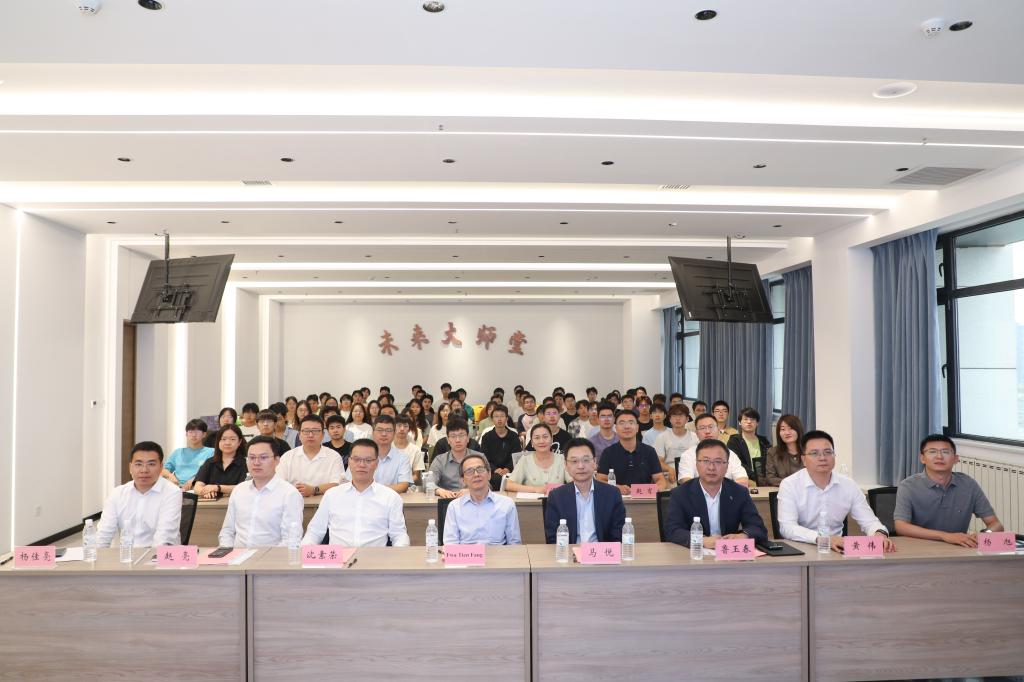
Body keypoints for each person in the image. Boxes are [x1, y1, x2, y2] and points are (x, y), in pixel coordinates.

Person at [777, 430, 895, 553]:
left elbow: (870, 522)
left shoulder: (848, 485)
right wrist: (823, 538)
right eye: (814, 453)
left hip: (837, 551)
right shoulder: (790, 485)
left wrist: (879, 533)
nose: (822, 458)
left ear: (834, 455)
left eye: (828, 452)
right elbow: (787, 527)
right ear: (804, 459)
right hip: (801, 550)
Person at [893, 434, 1003, 546]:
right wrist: (945, 536)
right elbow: (901, 527)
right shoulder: (908, 486)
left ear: (955, 458)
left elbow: (996, 524)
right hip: (919, 548)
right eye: (932, 452)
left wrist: (985, 534)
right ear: (922, 458)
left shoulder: (968, 484)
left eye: (945, 452)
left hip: (958, 548)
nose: (939, 456)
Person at [301, 439, 410, 547]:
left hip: (375, 556)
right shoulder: (332, 495)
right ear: (349, 461)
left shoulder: (390, 497)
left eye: (368, 460)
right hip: (339, 556)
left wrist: (399, 553)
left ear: (376, 463)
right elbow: (314, 532)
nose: (362, 465)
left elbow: (399, 535)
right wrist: (303, 551)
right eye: (356, 459)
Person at [665, 439, 768, 547]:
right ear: (696, 464)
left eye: (718, 462)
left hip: (728, 552)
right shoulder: (680, 494)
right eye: (705, 461)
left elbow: (758, 528)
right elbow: (672, 531)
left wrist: (743, 536)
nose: (711, 468)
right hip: (694, 552)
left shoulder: (739, 492)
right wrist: (701, 541)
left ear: (727, 466)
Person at [218, 436, 303, 548]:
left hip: (271, 557)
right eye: (252, 457)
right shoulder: (239, 490)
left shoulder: (289, 494)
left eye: (263, 457)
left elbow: (291, 540)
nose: (256, 462)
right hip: (237, 556)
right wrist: (227, 552)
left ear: (277, 460)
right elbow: (227, 531)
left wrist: (262, 557)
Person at [95, 441, 182, 547]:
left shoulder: (172, 492)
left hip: (160, 554)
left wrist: (150, 557)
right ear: (130, 467)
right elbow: (103, 534)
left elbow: (164, 536)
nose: (144, 470)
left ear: (161, 467)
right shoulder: (117, 493)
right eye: (138, 464)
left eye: (151, 464)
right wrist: (96, 554)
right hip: (127, 554)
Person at [543, 439, 626, 543]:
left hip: (601, 552)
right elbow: (552, 537)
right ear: (565, 465)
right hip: (569, 552)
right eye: (574, 461)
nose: (580, 466)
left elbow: (618, 534)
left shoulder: (612, 494)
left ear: (595, 462)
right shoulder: (556, 496)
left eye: (586, 460)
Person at [442, 454, 522, 545]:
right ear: (462, 480)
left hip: (497, 553)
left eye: (480, 469)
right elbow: (450, 545)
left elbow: (514, 543)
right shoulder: (454, 507)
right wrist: (477, 553)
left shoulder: (506, 504)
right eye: (469, 471)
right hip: (466, 554)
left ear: (489, 474)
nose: (476, 474)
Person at [596, 410, 668, 492]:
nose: (627, 427)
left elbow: (660, 479)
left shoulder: (649, 451)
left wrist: (658, 488)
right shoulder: (608, 453)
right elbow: (600, 480)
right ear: (616, 428)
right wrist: (616, 488)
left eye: (631, 422)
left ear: (637, 428)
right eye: (622, 423)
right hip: (617, 497)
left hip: (644, 497)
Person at [276, 414, 346, 498]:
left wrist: (314, 490)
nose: (310, 435)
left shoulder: (334, 456)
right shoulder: (288, 456)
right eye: (306, 431)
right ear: (299, 435)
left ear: (323, 435)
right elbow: (278, 483)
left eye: (315, 431)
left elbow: (338, 484)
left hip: (324, 504)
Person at [676, 414, 749, 486]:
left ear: (718, 430)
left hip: (727, 493)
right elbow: (686, 482)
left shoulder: (730, 454)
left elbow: (743, 480)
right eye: (702, 428)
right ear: (697, 433)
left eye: (711, 427)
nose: (707, 431)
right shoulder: (688, 455)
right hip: (697, 494)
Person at [505, 423, 573, 493]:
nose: (541, 441)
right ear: (532, 442)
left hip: (557, 499)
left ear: (552, 439)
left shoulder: (562, 459)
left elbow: (574, 482)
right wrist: (535, 489)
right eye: (537, 438)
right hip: (532, 500)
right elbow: (509, 485)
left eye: (545, 437)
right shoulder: (525, 460)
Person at [428, 419, 482, 497]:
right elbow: (429, 483)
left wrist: (472, 490)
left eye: (461, 435)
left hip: (475, 499)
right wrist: (439, 490)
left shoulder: (479, 458)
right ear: (448, 440)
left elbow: (488, 485)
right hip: (448, 500)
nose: (457, 440)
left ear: (468, 438)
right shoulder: (439, 460)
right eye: (453, 436)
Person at [193, 424, 249, 499]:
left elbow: (244, 488)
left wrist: (217, 488)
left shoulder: (246, 463)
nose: (227, 443)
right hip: (211, 504)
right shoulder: (210, 462)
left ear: (239, 442)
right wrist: (207, 491)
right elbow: (197, 487)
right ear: (218, 441)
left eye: (232, 439)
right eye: (223, 439)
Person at [161, 418, 214, 489]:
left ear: (204, 434)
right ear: (186, 434)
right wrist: (171, 476)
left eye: (197, 432)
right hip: (176, 487)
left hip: (197, 488)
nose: (194, 435)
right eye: (190, 432)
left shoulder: (211, 452)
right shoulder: (178, 452)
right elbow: (164, 470)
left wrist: (195, 480)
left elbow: (211, 472)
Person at [366, 414, 413, 493]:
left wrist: (375, 491)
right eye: (380, 430)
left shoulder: (403, 458)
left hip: (392, 499)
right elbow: (351, 481)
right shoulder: (362, 456)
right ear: (373, 433)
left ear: (394, 433)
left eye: (388, 430)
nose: (384, 434)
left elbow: (403, 485)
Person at [479, 404, 520, 490]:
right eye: (496, 416)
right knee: (495, 479)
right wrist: (495, 469)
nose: (499, 419)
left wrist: (507, 469)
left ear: (507, 418)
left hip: (510, 471)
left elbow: (516, 456)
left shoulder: (514, 436)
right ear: (492, 419)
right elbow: (484, 457)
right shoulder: (487, 437)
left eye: (502, 416)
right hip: (492, 471)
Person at [727, 407, 771, 485]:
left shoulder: (764, 441)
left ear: (757, 423)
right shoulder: (734, 441)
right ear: (739, 422)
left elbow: (770, 460)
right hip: (743, 479)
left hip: (764, 479)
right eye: (745, 419)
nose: (749, 422)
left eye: (752, 419)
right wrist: (755, 477)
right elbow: (737, 463)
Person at [653, 404, 696, 481]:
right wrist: (670, 469)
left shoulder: (695, 437)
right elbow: (658, 462)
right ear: (670, 419)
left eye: (681, 415)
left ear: (687, 419)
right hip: (669, 476)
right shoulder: (662, 437)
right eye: (674, 416)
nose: (678, 418)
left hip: (690, 475)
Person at [765, 414, 805, 486]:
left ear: (798, 430)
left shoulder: (809, 451)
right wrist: (792, 484)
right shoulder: (772, 452)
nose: (787, 432)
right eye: (783, 429)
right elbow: (770, 478)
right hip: (783, 490)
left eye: (790, 428)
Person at [393, 415, 425, 485]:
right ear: (393, 427)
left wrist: (402, 485)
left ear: (409, 429)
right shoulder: (387, 447)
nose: (402, 429)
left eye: (405, 426)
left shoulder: (416, 450)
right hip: (388, 486)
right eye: (399, 425)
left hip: (408, 486)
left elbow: (416, 476)